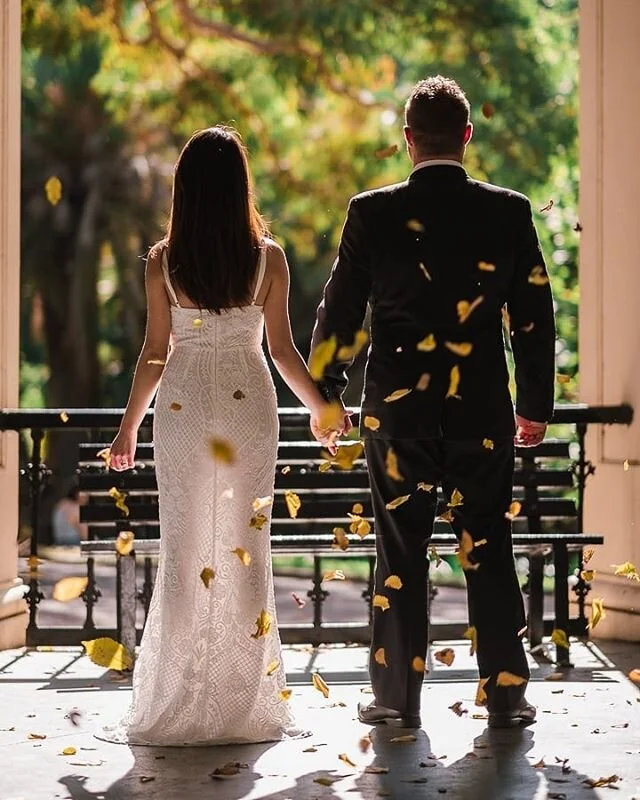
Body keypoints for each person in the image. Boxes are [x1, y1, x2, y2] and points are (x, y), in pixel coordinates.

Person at [310, 76, 555, 729]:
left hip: (399, 414)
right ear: (466, 137)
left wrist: (327, 395)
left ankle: (395, 699)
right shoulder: (509, 211)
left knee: (400, 551)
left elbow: (340, 314)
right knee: (489, 544)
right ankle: (506, 696)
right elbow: (532, 317)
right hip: (479, 412)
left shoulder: (372, 212)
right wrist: (534, 405)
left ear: (408, 140)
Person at [101, 126, 340, 746]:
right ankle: (243, 701)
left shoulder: (162, 261)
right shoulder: (269, 259)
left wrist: (127, 430)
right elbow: (283, 350)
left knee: (184, 548)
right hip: (247, 407)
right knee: (245, 548)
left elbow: (155, 353)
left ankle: (178, 697)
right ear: (240, 187)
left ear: (184, 190)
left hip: (181, 407)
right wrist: (322, 408)